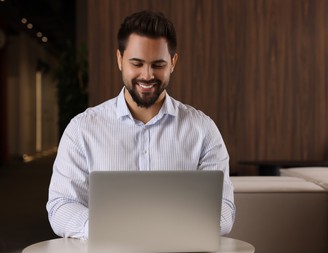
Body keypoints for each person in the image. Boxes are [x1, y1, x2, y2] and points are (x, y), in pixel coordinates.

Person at [46, 10, 235, 240]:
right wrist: (110, 230)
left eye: (158, 64)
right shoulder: (82, 130)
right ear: (119, 60)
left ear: (173, 62)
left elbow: (224, 208)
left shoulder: (203, 130)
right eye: (137, 63)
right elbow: (61, 205)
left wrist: (170, 232)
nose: (147, 75)